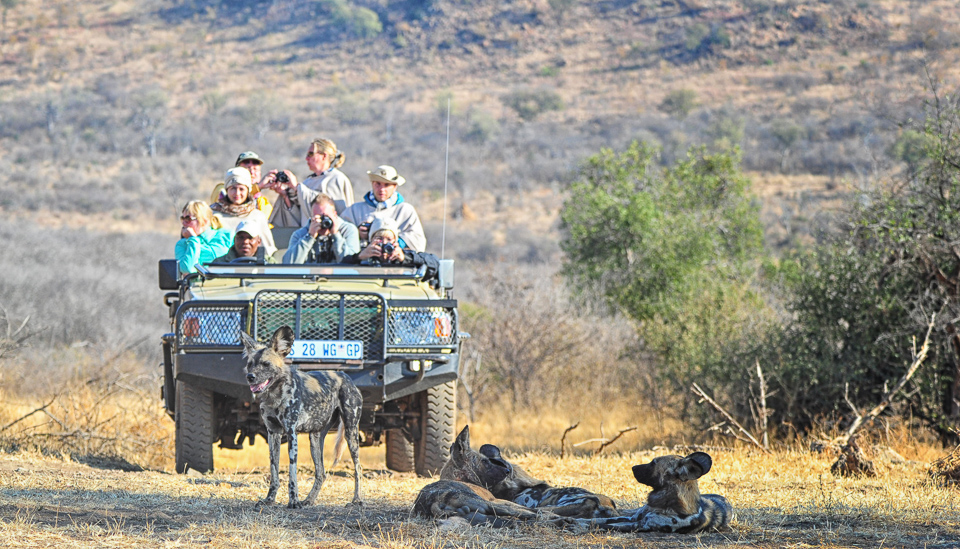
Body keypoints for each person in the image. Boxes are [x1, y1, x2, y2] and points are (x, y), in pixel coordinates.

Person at [265, 138, 354, 227]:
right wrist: (286, 195)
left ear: (324, 156)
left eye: (311, 154)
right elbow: (300, 218)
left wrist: (297, 187)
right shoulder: (307, 182)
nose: (307, 158)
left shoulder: (337, 179)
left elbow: (336, 213)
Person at [341, 165, 427, 252]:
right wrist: (356, 234)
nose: (382, 189)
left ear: (394, 186)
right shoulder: (355, 210)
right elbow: (339, 232)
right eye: (378, 184)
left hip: (396, 263)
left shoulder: (405, 210)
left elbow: (418, 239)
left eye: (387, 185)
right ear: (372, 183)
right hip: (361, 262)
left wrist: (394, 243)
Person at [342, 217, 439, 279]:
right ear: (371, 240)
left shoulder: (404, 257)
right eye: (379, 238)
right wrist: (359, 257)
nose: (384, 243)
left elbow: (434, 264)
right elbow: (339, 266)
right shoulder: (363, 258)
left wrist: (405, 258)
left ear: (395, 241)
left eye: (389, 239)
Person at [210, 167, 277, 256]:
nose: (237, 193)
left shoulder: (257, 216)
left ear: (248, 191)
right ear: (227, 190)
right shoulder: (212, 214)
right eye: (233, 188)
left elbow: (269, 250)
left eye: (241, 189)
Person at [283, 193, 360, 264]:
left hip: (338, 277)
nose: (323, 222)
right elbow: (288, 264)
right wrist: (309, 237)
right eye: (318, 217)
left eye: (326, 217)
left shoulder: (348, 230)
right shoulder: (300, 234)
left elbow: (352, 263)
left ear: (335, 215)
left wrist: (336, 235)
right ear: (312, 217)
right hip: (310, 277)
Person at [175, 200, 233, 273]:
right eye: (182, 218)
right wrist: (193, 240)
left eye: (188, 219)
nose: (183, 223)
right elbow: (187, 268)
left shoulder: (227, 235)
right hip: (199, 283)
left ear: (204, 221)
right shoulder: (182, 244)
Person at [213, 221, 277, 264]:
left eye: (250, 238)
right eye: (241, 237)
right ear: (234, 240)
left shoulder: (270, 263)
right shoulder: (220, 263)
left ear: (259, 241)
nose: (245, 242)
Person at [234, 150, 272, 219]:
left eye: (255, 169)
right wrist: (258, 187)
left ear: (260, 173)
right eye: (247, 168)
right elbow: (233, 201)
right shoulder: (223, 189)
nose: (252, 172)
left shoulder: (263, 201)